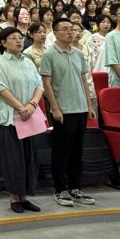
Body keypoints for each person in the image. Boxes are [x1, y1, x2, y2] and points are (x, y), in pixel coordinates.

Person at [0, 26, 42, 213]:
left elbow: (39, 85)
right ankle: (13, 197)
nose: (19, 41)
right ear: (3, 42)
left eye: (20, 37)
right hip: (9, 118)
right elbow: (0, 88)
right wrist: (20, 107)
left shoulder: (28, 62)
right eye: (13, 38)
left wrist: (32, 104)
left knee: (29, 157)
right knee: (13, 158)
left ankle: (24, 196)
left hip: (29, 116)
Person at [40, 18, 95, 207]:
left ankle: (75, 187)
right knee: (61, 151)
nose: (70, 32)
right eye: (65, 29)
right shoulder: (49, 54)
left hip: (80, 108)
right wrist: (55, 108)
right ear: (55, 33)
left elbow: (83, 80)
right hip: (63, 110)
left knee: (77, 151)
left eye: (72, 29)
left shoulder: (78, 53)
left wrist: (89, 105)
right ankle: (60, 189)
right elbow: (46, 83)